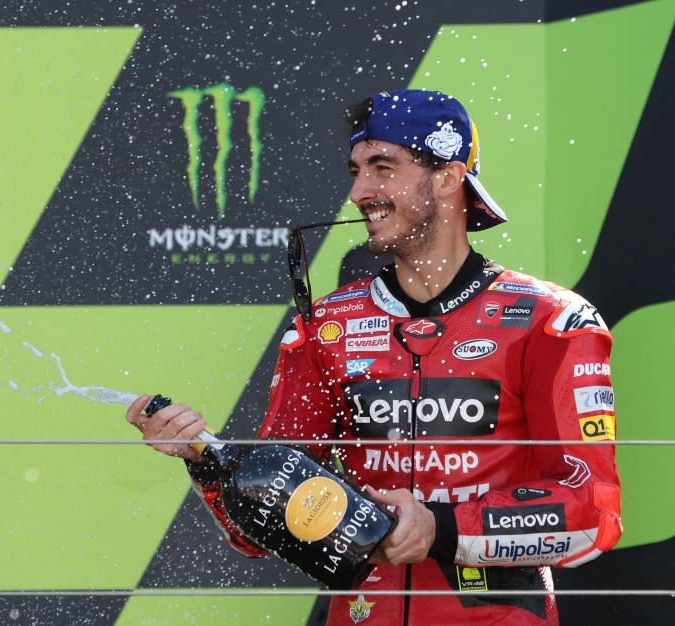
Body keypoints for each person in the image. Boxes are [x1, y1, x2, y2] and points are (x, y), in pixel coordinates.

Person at [126, 88, 622, 625]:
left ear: (449, 178)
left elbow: (594, 511)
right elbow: (264, 525)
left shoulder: (550, 320)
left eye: (383, 167)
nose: (360, 190)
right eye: (357, 170)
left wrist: (440, 528)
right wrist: (209, 460)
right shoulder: (325, 327)